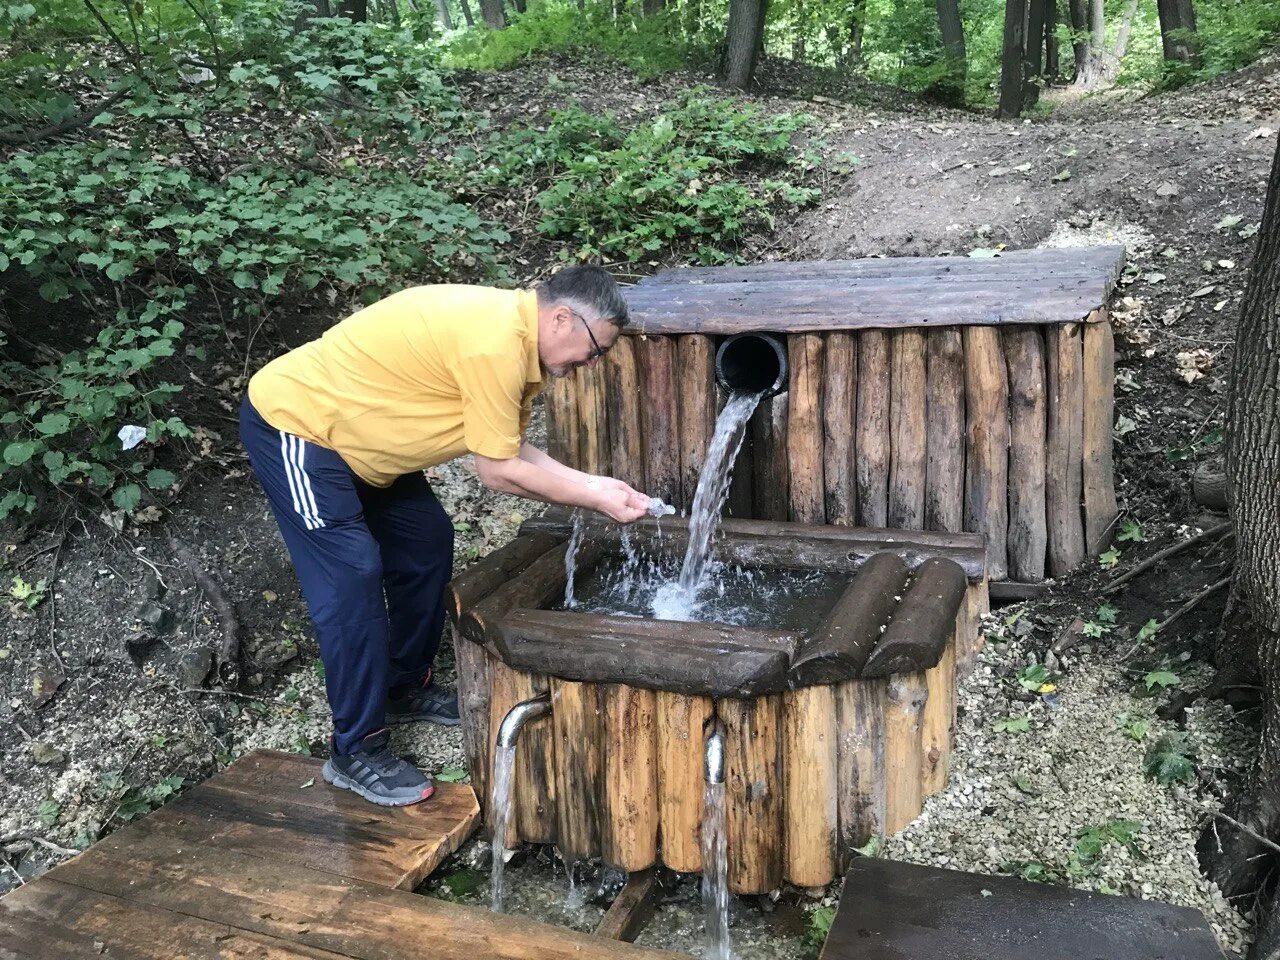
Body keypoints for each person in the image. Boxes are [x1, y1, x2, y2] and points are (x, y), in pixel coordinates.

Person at [239, 265, 650, 806]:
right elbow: (498, 471)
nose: (589, 365)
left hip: (367, 444)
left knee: (425, 540)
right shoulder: (495, 345)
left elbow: (505, 443)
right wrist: (594, 498)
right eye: (595, 350)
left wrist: (596, 483)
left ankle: (404, 683)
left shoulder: (519, 341)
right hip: (301, 428)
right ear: (562, 317)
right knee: (351, 577)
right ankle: (355, 748)